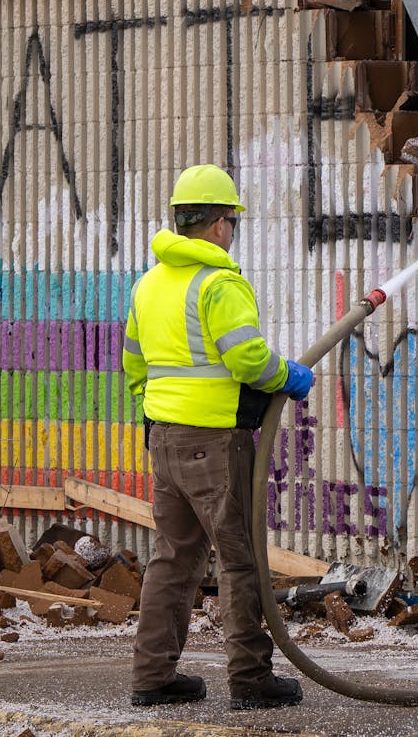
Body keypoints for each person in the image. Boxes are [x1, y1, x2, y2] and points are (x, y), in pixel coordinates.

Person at [123, 163, 314, 709]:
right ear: (217, 224)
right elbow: (248, 359)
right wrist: (289, 376)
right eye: (232, 220)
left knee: (173, 559)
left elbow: (134, 367)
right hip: (215, 444)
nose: (232, 230)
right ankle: (251, 679)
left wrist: (159, 415)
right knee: (240, 560)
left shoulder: (149, 284)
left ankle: (152, 677)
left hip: (163, 439)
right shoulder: (219, 283)